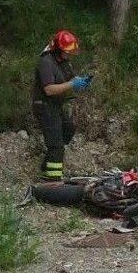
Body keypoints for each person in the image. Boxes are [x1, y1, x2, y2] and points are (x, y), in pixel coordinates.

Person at [32, 30, 92, 181]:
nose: (70, 55)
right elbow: (49, 89)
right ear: (58, 50)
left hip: (56, 105)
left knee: (68, 129)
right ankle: (52, 179)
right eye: (67, 52)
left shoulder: (63, 62)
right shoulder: (46, 62)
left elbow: (71, 79)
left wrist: (81, 82)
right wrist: (72, 84)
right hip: (44, 105)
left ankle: (47, 165)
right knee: (56, 145)